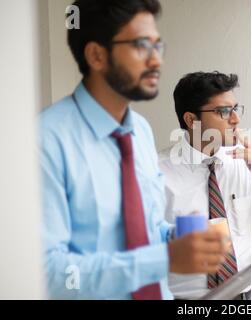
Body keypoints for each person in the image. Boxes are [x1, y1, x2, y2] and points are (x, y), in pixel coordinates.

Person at [39, 0, 226, 300]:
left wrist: (176, 237)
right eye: (141, 45)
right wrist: (165, 259)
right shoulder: (44, 140)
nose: (156, 61)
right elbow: (50, 276)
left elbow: (146, 228)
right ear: (97, 55)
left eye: (158, 46)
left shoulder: (140, 131)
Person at [159, 71, 251, 300]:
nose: (235, 119)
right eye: (223, 111)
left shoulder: (244, 164)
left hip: (243, 298)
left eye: (235, 108)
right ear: (191, 120)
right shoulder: (155, 173)